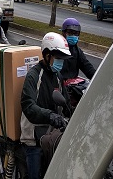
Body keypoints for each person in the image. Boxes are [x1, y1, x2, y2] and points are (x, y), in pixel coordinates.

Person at [20, 32, 71, 179]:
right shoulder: (34, 75)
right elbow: (28, 106)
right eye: (58, 58)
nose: (61, 62)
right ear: (47, 55)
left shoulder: (58, 76)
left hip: (52, 136)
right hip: (34, 136)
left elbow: (66, 102)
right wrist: (50, 116)